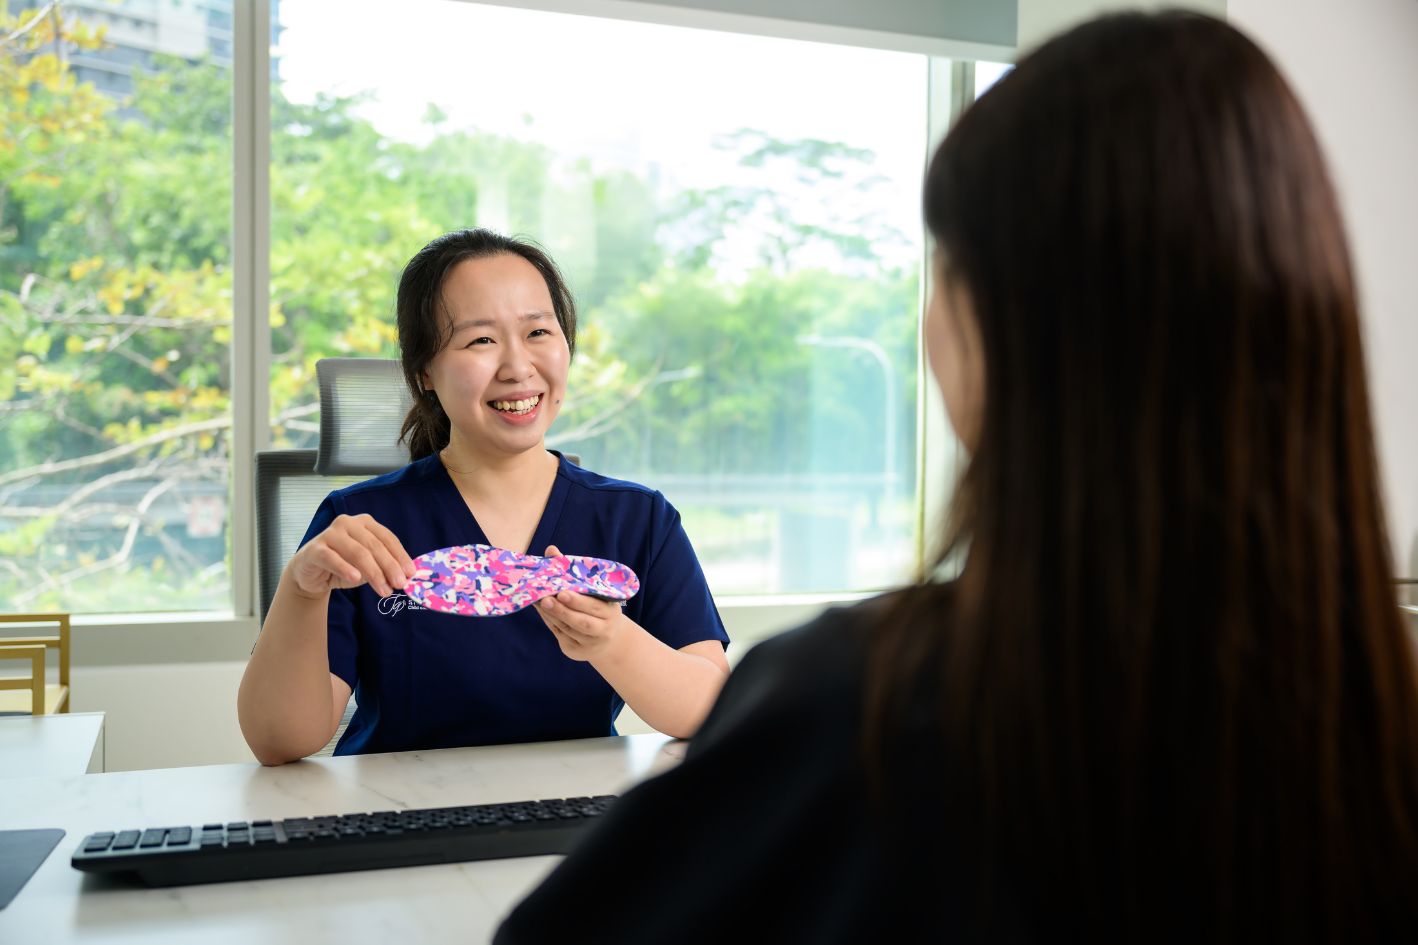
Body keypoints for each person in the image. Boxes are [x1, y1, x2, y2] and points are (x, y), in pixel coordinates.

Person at [494, 11, 1418, 943]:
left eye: (943, 268)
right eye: (481, 339)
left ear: (999, 324)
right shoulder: (1380, 726)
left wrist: (698, 797)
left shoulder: (859, 705)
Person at [238, 230, 730, 764]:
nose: (518, 367)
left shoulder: (638, 519)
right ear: (424, 371)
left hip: (573, 824)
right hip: (402, 820)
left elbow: (708, 711)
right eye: (480, 341)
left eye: (538, 331)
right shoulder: (359, 526)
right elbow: (279, 741)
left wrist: (612, 642)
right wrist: (302, 589)